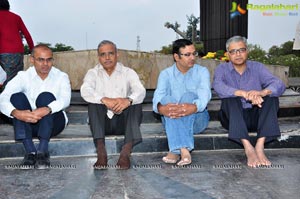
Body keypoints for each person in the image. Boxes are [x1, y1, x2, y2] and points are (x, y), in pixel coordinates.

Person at [212, 35, 286, 168]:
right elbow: (218, 86)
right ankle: (248, 147)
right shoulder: (222, 70)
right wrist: (243, 93)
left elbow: (278, 83)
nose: (238, 54)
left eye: (241, 50)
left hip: (256, 117)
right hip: (233, 117)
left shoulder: (257, 67)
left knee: (271, 97)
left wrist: (262, 92)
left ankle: (259, 145)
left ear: (247, 51)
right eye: (233, 51)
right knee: (230, 98)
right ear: (228, 54)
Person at [0, 44, 71, 168]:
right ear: (32, 60)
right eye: (41, 60)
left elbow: (65, 100)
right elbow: (3, 97)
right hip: (28, 123)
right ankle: (30, 151)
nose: (45, 64)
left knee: (46, 97)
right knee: (16, 97)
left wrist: (48, 109)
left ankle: (43, 151)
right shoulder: (23, 76)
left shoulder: (61, 76)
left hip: (54, 123)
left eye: (49, 60)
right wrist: (16, 113)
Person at [80, 40, 146, 170]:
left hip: (123, 122)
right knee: (94, 103)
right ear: (99, 57)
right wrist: (104, 99)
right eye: (103, 54)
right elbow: (85, 90)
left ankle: (125, 153)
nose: (107, 57)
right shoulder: (92, 73)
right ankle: (101, 152)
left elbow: (140, 90)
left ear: (117, 54)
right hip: (102, 124)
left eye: (110, 53)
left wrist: (127, 101)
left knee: (135, 102)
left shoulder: (128, 72)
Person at [152, 39, 211, 166]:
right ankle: (184, 149)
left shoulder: (202, 72)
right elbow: (157, 98)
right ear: (176, 57)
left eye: (194, 54)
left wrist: (193, 107)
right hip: (172, 116)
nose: (192, 58)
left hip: (197, 119)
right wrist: (162, 109)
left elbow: (205, 96)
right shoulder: (166, 74)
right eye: (187, 55)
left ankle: (174, 150)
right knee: (166, 100)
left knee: (189, 96)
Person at [0, 0, 34, 91]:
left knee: (8, 78)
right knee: (15, 78)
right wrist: (32, 50)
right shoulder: (16, 17)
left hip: (3, 51)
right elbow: (27, 34)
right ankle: (9, 100)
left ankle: (6, 99)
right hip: (16, 52)